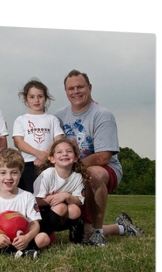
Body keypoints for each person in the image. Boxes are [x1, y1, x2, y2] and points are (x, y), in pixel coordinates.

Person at [55, 69, 144, 246]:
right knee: (82, 234)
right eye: (70, 88)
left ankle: (97, 231)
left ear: (89, 87)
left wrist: (73, 169)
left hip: (104, 170)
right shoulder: (59, 116)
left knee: (93, 174)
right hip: (71, 170)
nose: (76, 91)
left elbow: (103, 157)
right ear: (65, 92)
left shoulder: (102, 115)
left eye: (80, 86)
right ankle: (121, 227)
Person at [0, 148, 51, 259]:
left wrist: (27, 238)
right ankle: (19, 253)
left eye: (14, 172)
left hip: (19, 240)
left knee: (43, 238)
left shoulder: (27, 196)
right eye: (3, 172)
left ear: (20, 173)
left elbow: (35, 224)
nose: (8, 177)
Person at [33, 138, 90, 244]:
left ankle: (77, 240)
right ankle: (43, 234)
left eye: (69, 151)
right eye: (59, 152)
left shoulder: (77, 177)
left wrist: (66, 196)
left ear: (76, 158)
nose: (65, 154)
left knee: (74, 208)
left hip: (63, 216)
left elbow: (80, 200)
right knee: (61, 207)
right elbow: (36, 201)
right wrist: (52, 199)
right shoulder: (48, 174)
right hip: (44, 214)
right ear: (52, 159)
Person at [13, 78, 64, 193]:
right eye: (32, 97)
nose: (36, 100)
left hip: (49, 163)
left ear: (45, 98)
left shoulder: (52, 119)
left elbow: (58, 139)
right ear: (26, 99)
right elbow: (18, 142)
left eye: (40, 96)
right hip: (28, 164)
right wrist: (38, 154)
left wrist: (45, 155)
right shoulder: (21, 120)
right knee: (30, 195)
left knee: (48, 194)